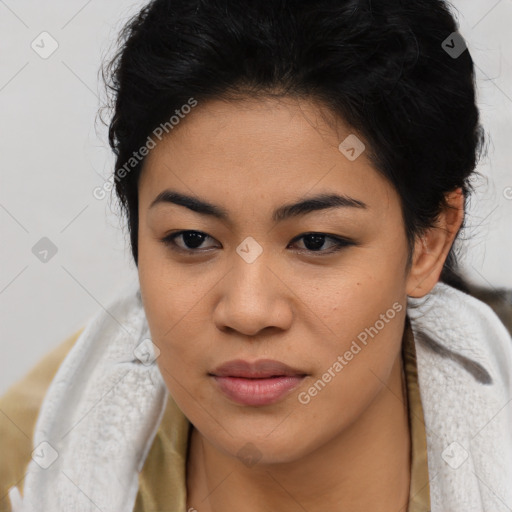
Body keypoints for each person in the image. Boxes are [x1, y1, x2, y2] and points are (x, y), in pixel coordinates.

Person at [1, 0, 511, 511]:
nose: (247, 311)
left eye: (316, 241)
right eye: (193, 239)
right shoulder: (29, 457)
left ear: (428, 244)